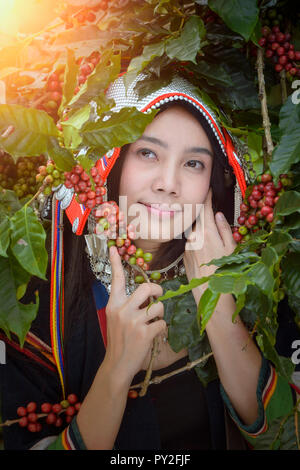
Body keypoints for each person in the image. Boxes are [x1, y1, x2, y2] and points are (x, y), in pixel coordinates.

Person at [0, 73, 298, 451]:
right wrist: (115, 372)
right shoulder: (36, 291)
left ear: (213, 184)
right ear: (114, 162)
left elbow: (288, 437)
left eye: (193, 163)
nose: (168, 182)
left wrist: (221, 310)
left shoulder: (253, 275)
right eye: (148, 153)